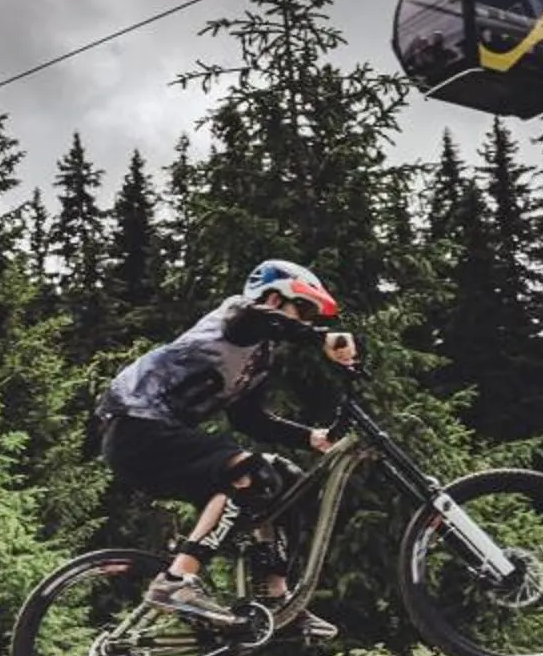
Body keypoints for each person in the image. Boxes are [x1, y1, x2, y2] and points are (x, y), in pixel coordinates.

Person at [96, 258, 359, 635]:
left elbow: (249, 420)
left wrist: (310, 437)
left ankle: (276, 601)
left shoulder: (258, 359)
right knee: (249, 473)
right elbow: (255, 320)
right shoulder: (235, 316)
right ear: (273, 298)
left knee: (285, 477)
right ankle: (175, 581)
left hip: (158, 440)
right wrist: (319, 337)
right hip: (135, 427)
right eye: (301, 309)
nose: (304, 320)